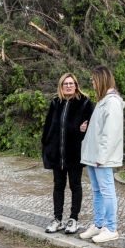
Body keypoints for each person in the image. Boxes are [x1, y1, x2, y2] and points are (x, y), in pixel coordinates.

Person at [41, 72, 94, 234]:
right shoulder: (55, 102)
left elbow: (93, 127)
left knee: (75, 185)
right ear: (61, 86)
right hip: (57, 154)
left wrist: (86, 129)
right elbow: (48, 127)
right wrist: (46, 147)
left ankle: (73, 219)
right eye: (66, 84)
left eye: (71, 83)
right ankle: (57, 219)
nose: (69, 86)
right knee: (58, 186)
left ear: (76, 85)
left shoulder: (84, 103)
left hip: (75, 153)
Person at [78, 65, 125, 243]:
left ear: (101, 79)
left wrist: (102, 158)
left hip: (101, 158)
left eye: (93, 79)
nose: (92, 83)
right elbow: (100, 129)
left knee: (107, 191)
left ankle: (111, 228)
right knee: (97, 191)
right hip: (93, 156)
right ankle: (98, 225)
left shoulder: (112, 102)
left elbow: (110, 133)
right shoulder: (102, 101)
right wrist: (86, 128)